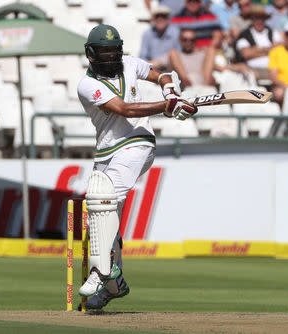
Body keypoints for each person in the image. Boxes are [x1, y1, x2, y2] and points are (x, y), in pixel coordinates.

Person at [76, 24, 197, 310]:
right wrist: (168, 106)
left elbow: (162, 74)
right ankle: (115, 285)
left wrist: (171, 89)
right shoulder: (87, 85)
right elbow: (125, 109)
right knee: (101, 217)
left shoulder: (130, 63)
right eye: (102, 52)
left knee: (103, 201)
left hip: (137, 143)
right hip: (107, 150)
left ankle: (101, 271)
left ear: (119, 51)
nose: (109, 57)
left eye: (112, 51)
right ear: (91, 55)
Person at [235, 4, 282, 82]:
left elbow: (279, 50)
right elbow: (246, 54)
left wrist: (256, 49)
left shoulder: (273, 33)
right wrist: (269, 50)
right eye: (256, 18)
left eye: (261, 18)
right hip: (253, 70)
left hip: (273, 70)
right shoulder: (244, 35)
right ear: (252, 19)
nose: (259, 21)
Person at [139, 5, 180, 72]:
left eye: (163, 16)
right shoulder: (147, 34)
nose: (160, 19)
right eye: (157, 16)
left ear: (168, 18)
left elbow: (179, 56)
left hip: (172, 71)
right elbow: (142, 57)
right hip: (152, 70)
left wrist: (161, 63)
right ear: (153, 18)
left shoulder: (176, 33)